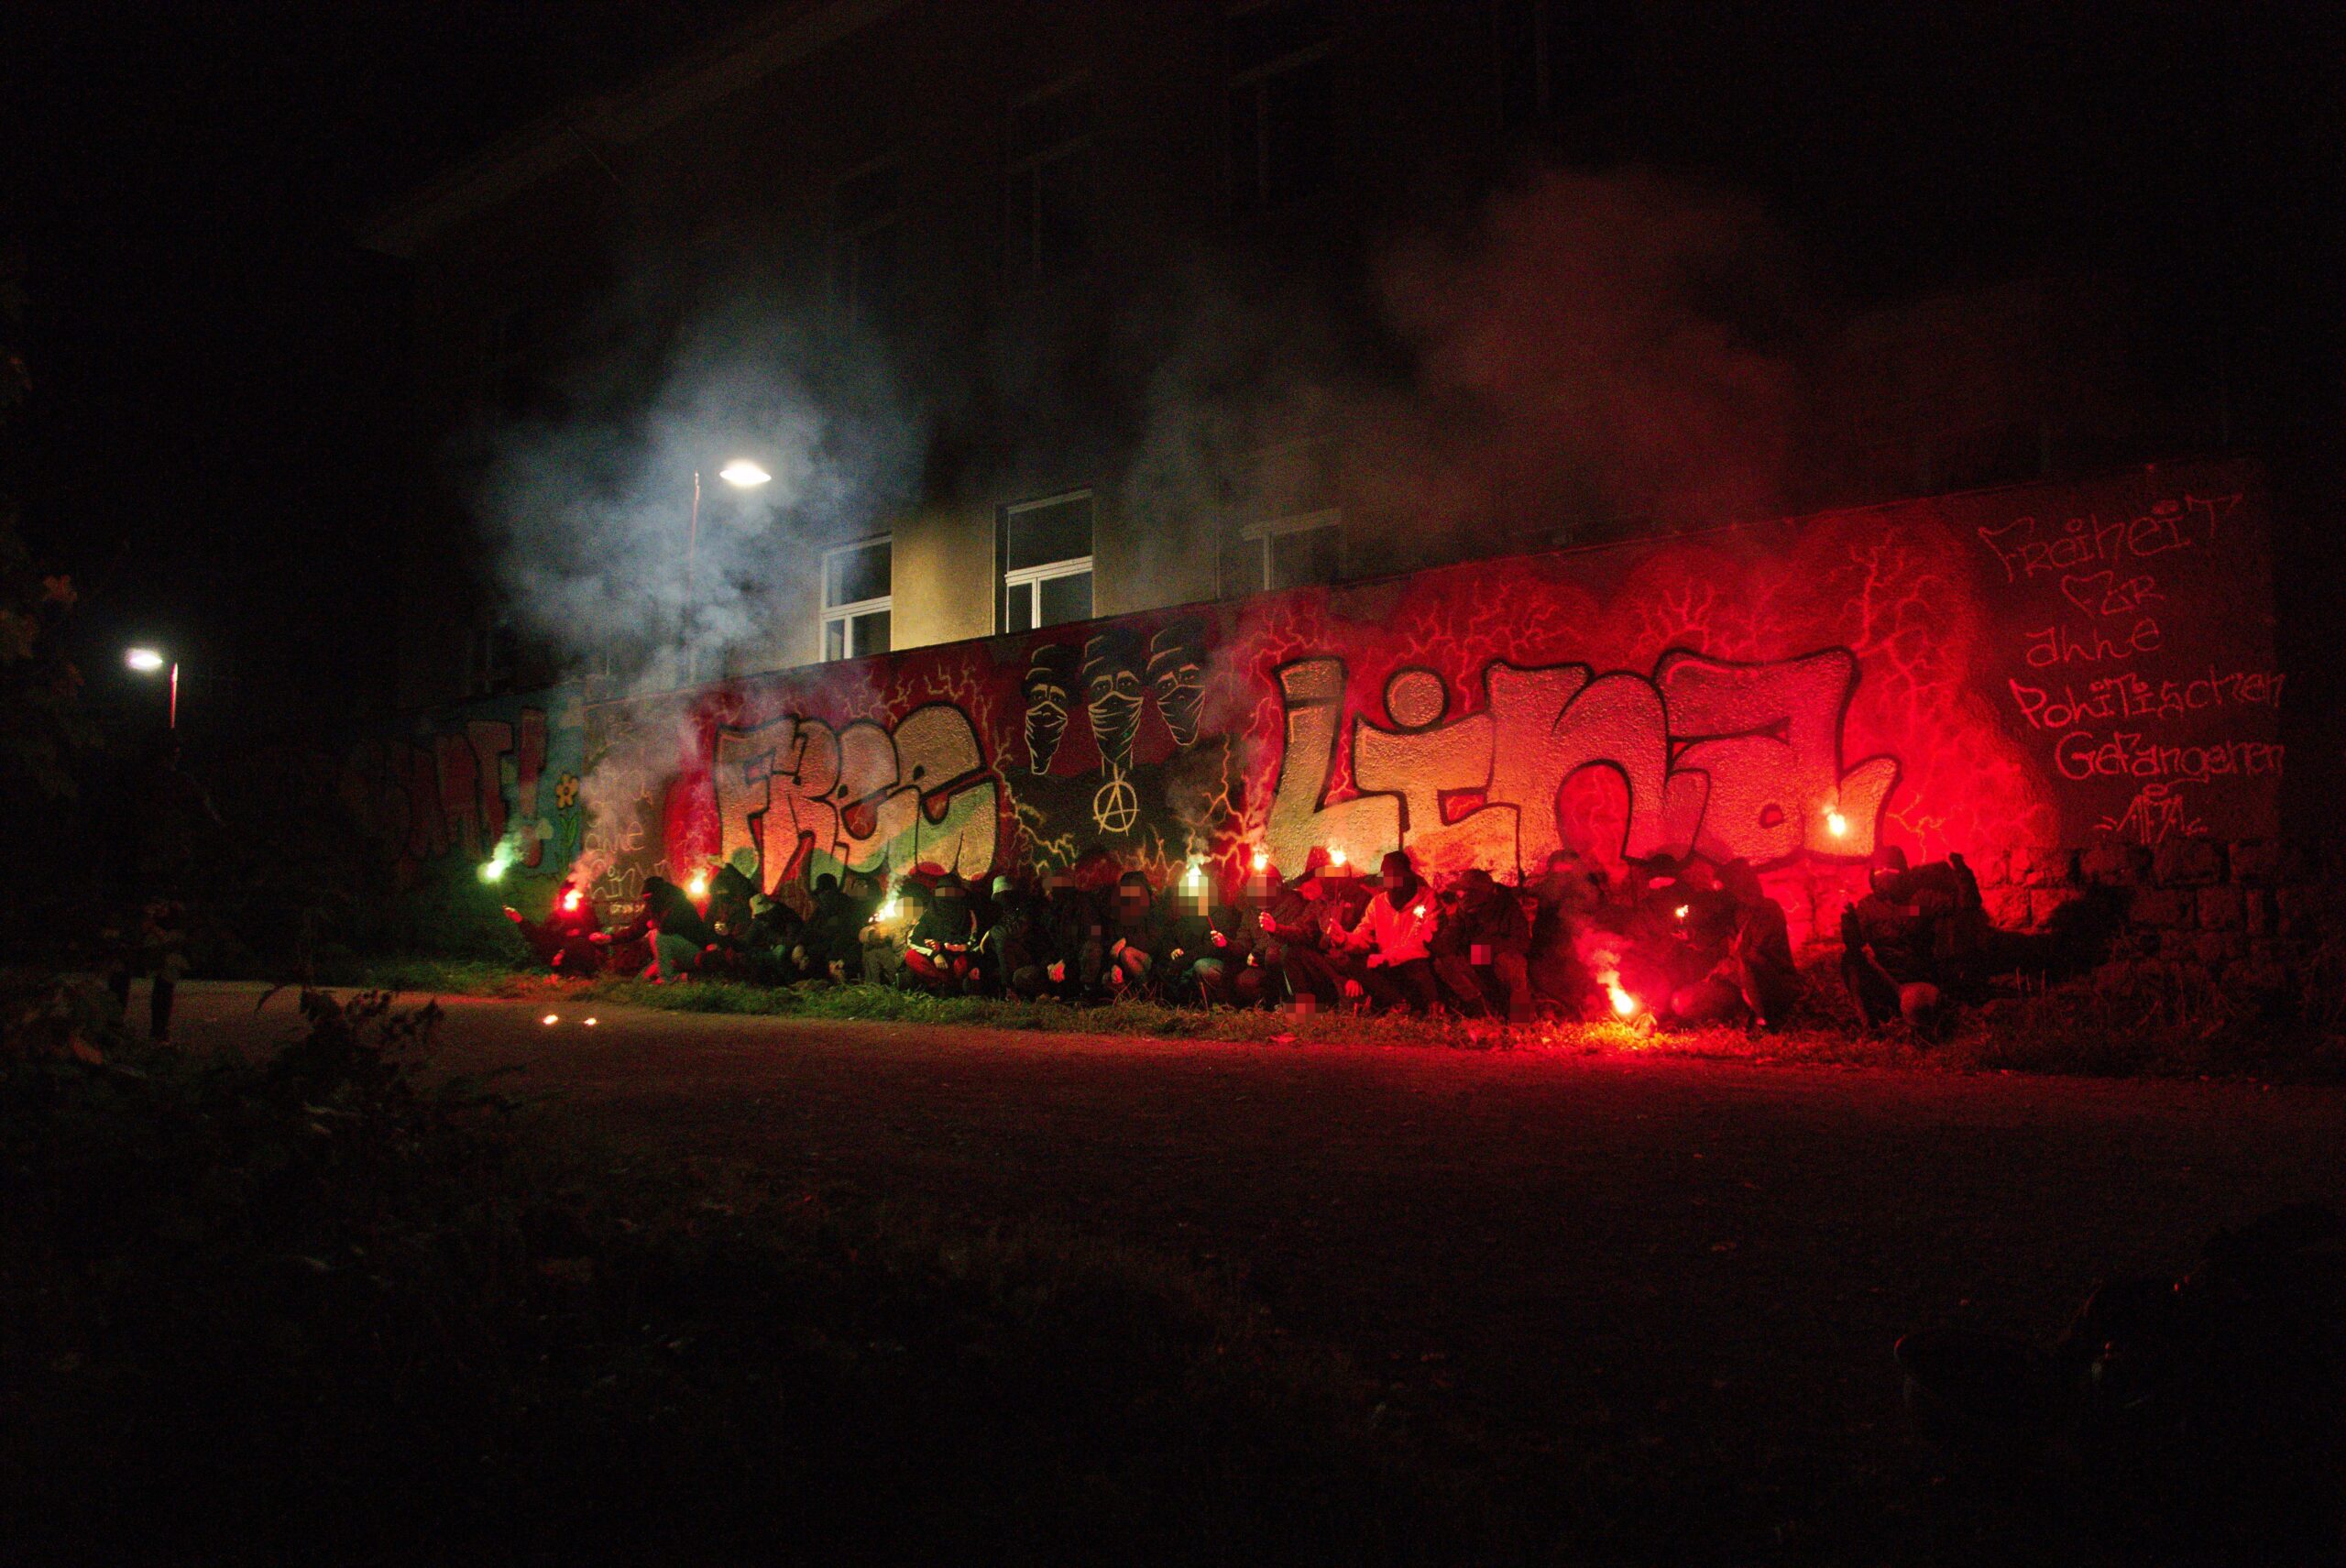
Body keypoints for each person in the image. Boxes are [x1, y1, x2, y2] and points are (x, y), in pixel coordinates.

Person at [1343, 850, 1442, 1014]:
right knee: (1354, 965)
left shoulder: (1427, 899)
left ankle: (1431, 1006)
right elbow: (1363, 933)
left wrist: (1388, 957)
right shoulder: (1378, 903)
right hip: (1386, 964)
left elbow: (1422, 943)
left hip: (1413, 964)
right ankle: (1399, 1003)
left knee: (1418, 966)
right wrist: (1345, 939)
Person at [1431, 867, 1532, 1021]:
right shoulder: (1464, 911)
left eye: (1463, 891)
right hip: (1475, 960)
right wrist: (1434, 942)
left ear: (1477, 894)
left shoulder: (1508, 907)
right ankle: (1482, 1011)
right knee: (1443, 963)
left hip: (1498, 961)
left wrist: (1490, 947)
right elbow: (1450, 939)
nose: (1459, 895)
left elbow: (1523, 943)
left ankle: (1521, 1017)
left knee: (1513, 963)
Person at [503, 879, 605, 975]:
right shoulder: (556, 916)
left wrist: (564, 951)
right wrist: (519, 919)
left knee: (581, 942)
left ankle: (580, 974)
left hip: (585, 962)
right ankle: (565, 973)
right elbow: (540, 936)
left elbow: (592, 936)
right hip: (563, 964)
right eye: (564, 895)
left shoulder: (587, 914)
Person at [903, 874, 982, 994]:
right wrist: (934, 954)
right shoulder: (930, 915)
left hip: (958, 959)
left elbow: (972, 941)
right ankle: (939, 985)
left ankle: (956, 986)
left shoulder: (967, 914)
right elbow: (914, 939)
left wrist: (956, 947)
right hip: (938, 961)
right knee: (911, 956)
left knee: (963, 964)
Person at [1102, 869, 1166, 997]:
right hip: (1123, 961)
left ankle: (1149, 993)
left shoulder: (1153, 910)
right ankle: (1130, 997)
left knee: (1127, 954)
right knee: (1106, 978)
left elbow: (1154, 944)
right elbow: (1111, 944)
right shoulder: (1119, 912)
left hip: (1152, 962)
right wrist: (1114, 965)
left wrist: (1126, 941)